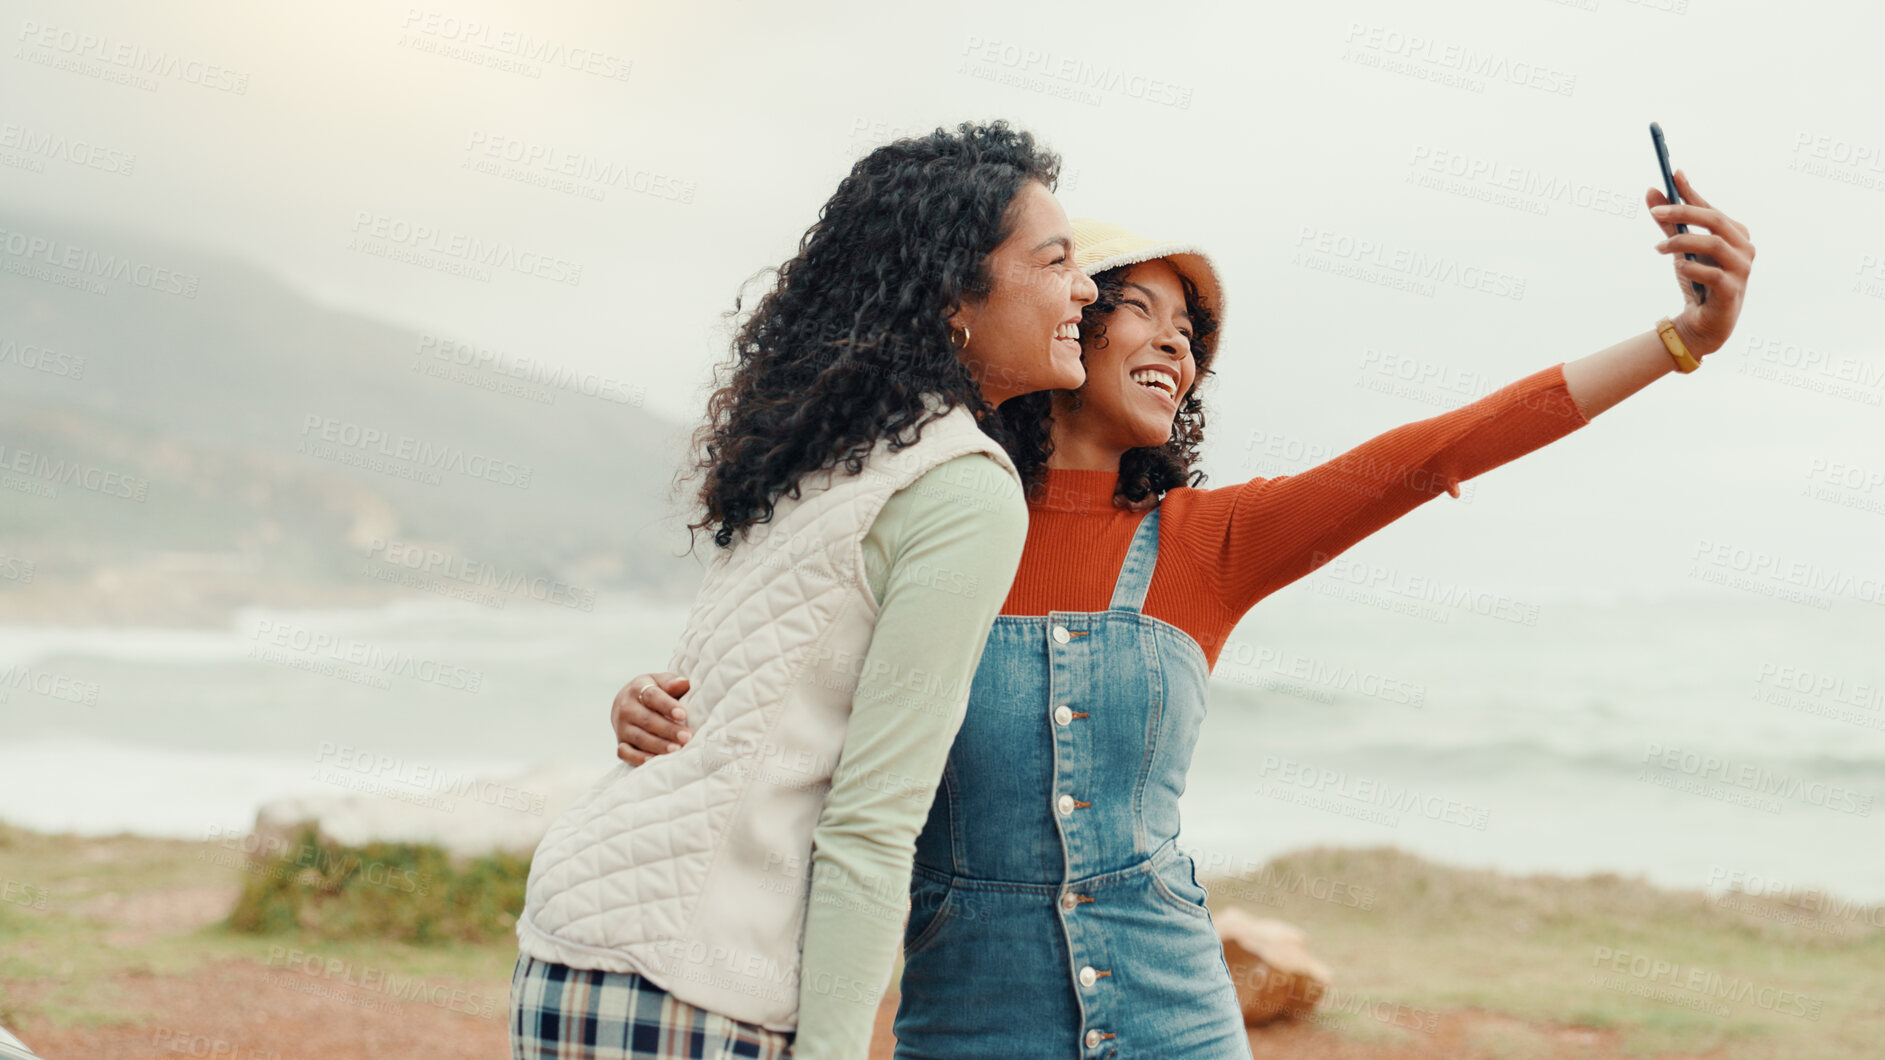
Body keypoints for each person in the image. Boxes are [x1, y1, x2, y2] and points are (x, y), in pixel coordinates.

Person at [612, 170, 1756, 1058]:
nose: (1177, 344)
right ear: (1065, 320)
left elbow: (1442, 447)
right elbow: (774, 699)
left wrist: (1679, 341)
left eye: (1190, 331)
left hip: (1179, 1020)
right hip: (968, 1022)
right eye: (1142, 310)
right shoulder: (926, 522)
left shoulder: (1213, 539)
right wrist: (654, 712)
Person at [509, 120, 1100, 1060]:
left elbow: (739, 697)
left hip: (576, 941)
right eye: (1055, 260)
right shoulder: (961, 487)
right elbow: (871, 820)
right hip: (700, 980)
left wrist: (641, 702)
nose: (1086, 288)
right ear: (953, 293)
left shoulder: (823, 452)